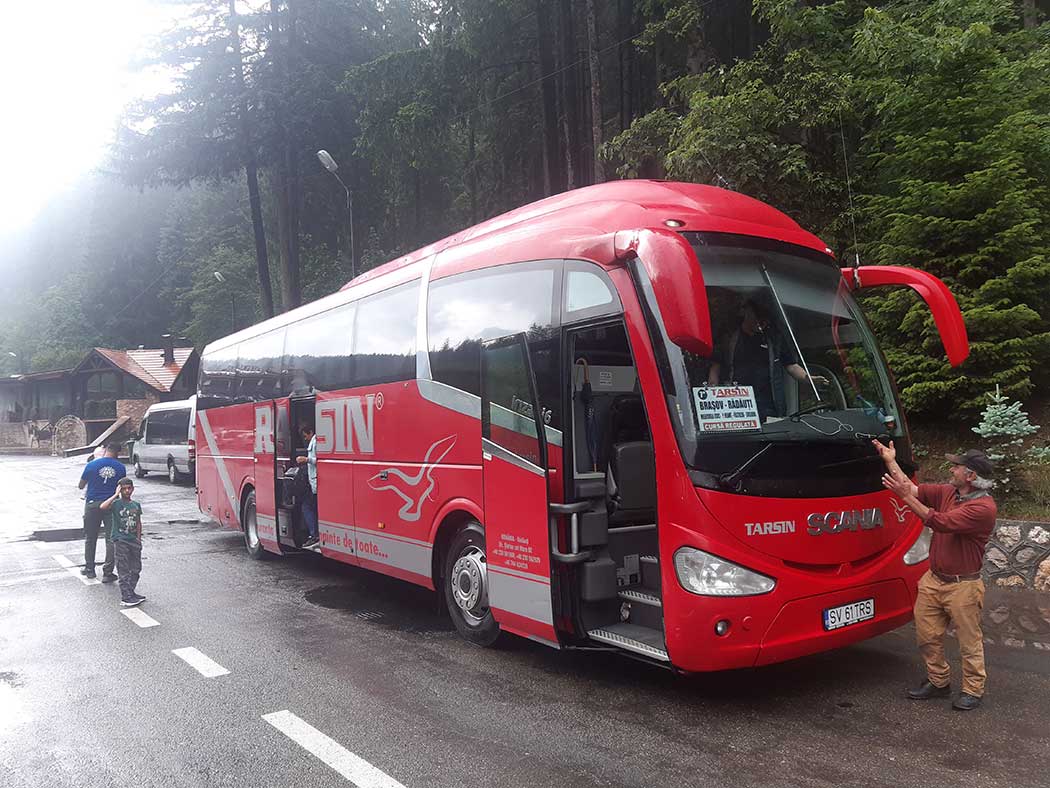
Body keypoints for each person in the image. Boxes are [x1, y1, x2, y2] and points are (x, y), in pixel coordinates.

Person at [873, 440, 997, 711]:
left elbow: (938, 522)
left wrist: (904, 497)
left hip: (963, 586)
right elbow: (912, 488)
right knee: (927, 635)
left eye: (957, 466)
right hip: (934, 580)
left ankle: (973, 690)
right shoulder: (949, 491)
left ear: (971, 475)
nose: (951, 469)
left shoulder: (983, 509)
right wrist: (890, 460)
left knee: (969, 642)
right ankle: (939, 682)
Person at [706, 299, 825, 420]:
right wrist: (712, 392)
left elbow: (791, 366)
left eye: (765, 316)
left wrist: (808, 379)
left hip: (769, 405)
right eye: (757, 315)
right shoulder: (729, 337)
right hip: (736, 404)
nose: (761, 320)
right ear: (746, 310)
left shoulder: (775, 338)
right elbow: (716, 367)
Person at [77, 442, 126, 580]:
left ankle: (90, 569)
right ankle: (107, 572)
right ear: (117, 453)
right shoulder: (120, 467)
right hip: (111, 504)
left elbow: (81, 486)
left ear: (105, 451)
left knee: (90, 537)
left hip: (92, 504)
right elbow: (121, 488)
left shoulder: (91, 465)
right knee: (111, 539)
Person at [101, 477, 145, 607]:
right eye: (123, 489)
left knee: (136, 568)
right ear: (120, 490)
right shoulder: (116, 504)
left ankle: (131, 592)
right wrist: (115, 494)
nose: (127, 491)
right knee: (123, 569)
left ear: (133, 489)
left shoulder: (136, 505)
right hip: (120, 540)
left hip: (133, 540)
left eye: (129, 488)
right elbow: (102, 507)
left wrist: (138, 538)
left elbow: (138, 523)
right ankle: (126, 597)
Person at [296, 423, 319, 550]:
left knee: (307, 506)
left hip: (316, 482)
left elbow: (320, 460)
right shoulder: (314, 442)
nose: (305, 439)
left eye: (306, 436)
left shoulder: (316, 442)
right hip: (313, 482)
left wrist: (306, 460)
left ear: (310, 432)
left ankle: (314, 534)